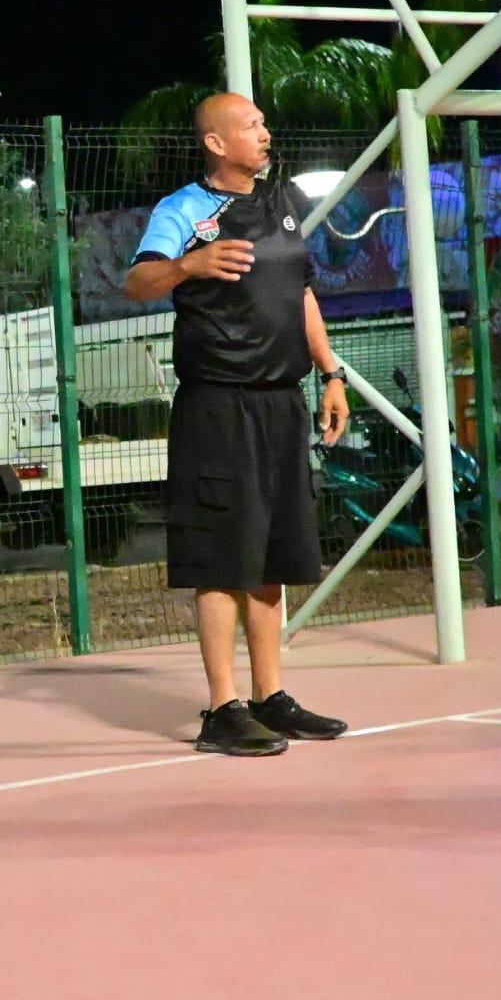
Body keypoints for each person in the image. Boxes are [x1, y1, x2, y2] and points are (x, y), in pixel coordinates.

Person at [124, 93, 351, 757]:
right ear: (217, 143)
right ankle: (222, 707)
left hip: (282, 401)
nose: (265, 132)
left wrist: (330, 371)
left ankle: (270, 697)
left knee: (272, 554)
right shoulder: (185, 210)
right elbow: (137, 280)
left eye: (262, 123)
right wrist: (189, 265)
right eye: (251, 125)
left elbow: (302, 292)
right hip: (218, 404)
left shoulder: (282, 204)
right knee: (223, 555)